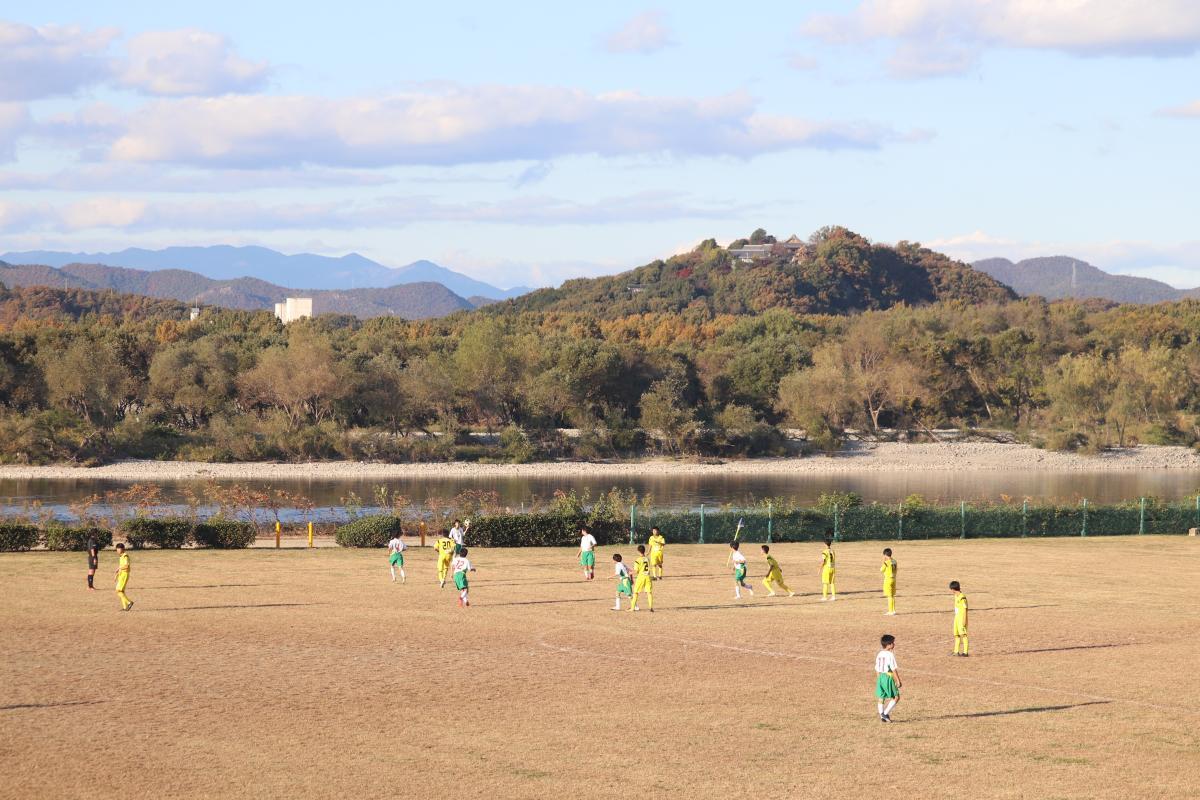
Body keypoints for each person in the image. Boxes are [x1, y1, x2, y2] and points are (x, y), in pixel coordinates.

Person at [875, 634, 902, 723]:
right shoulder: (890, 654)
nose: (894, 644)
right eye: (893, 643)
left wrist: (879, 679)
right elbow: (893, 668)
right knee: (896, 697)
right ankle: (885, 714)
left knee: (881, 697)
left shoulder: (879, 654)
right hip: (887, 677)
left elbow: (876, 668)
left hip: (880, 677)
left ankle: (882, 715)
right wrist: (898, 680)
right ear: (889, 645)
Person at [629, 544, 654, 612]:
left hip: (641, 577)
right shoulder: (647, 559)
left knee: (636, 592)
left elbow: (636, 571)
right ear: (644, 551)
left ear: (638, 551)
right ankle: (651, 607)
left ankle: (632, 608)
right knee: (649, 592)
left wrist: (630, 573)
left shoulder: (638, 560)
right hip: (648, 577)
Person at [950, 581, 969, 656]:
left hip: (962, 618)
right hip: (956, 618)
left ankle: (965, 652)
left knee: (963, 635)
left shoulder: (962, 598)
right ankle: (956, 651)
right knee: (956, 634)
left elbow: (965, 609)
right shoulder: (956, 596)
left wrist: (964, 620)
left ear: (953, 589)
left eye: (951, 589)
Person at [114, 543, 133, 612]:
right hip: (121, 575)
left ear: (122, 549)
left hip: (124, 575)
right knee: (121, 591)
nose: (117, 550)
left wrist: (119, 568)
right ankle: (125, 607)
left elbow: (126, 566)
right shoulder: (121, 556)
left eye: (119, 549)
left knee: (118, 590)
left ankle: (129, 602)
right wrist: (117, 575)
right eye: (117, 549)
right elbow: (121, 566)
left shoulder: (125, 556)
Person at [820, 534, 837, 601]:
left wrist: (820, 568)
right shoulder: (833, 551)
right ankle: (833, 596)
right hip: (833, 568)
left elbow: (823, 561)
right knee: (832, 583)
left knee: (825, 583)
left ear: (825, 544)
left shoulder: (824, 551)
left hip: (827, 569)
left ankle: (825, 597)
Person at [881, 548, 897, 615]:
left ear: (885, 555)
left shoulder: (886, 562)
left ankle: (890, 611)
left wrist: (883, 562)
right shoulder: (894, 561)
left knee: (889, 596)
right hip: (894, 579)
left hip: (888, 579)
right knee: (892, 596)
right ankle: (893, 610)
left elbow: (881, 570)